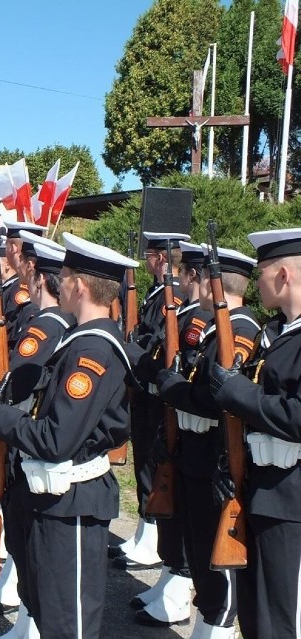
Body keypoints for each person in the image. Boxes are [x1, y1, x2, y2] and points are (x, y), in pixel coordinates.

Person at [0, 233, 137, 638]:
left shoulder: (93, 351)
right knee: (48, 613)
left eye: (62, 276)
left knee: (69, 626)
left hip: (73, 504)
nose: (56, 283)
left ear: (79, 285)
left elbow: (56, 439)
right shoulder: (78, 340)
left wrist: (0, 417)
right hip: (53, 498)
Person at [153, 243, 258, 637]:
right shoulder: (214, 326)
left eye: (192, 274)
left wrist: (173, 388)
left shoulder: (241, 330)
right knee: (197, 546)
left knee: (217, 552)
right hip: (193, 450)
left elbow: (214, 398)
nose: (186, 281)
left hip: (217, 453)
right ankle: (206, 616)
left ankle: (217, 625)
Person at [209, 228, 301, 639]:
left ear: (283, 275)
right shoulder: (276, 333)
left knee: (283, 619)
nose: (256, 280)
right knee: (257, 616)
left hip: (292, 499)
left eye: (261, 271)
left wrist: (239, 393)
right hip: (262, 488)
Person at [113, 231, 189, 572]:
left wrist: (134, 347)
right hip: (146, 389)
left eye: (149, 255)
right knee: (143, 461)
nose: (146, 260)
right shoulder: (157, 292)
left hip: (158, 395)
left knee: (152, 465)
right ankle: (145, 532)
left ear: (160, 258)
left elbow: (160, 341)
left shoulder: (170, 296)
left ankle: (153, 537)